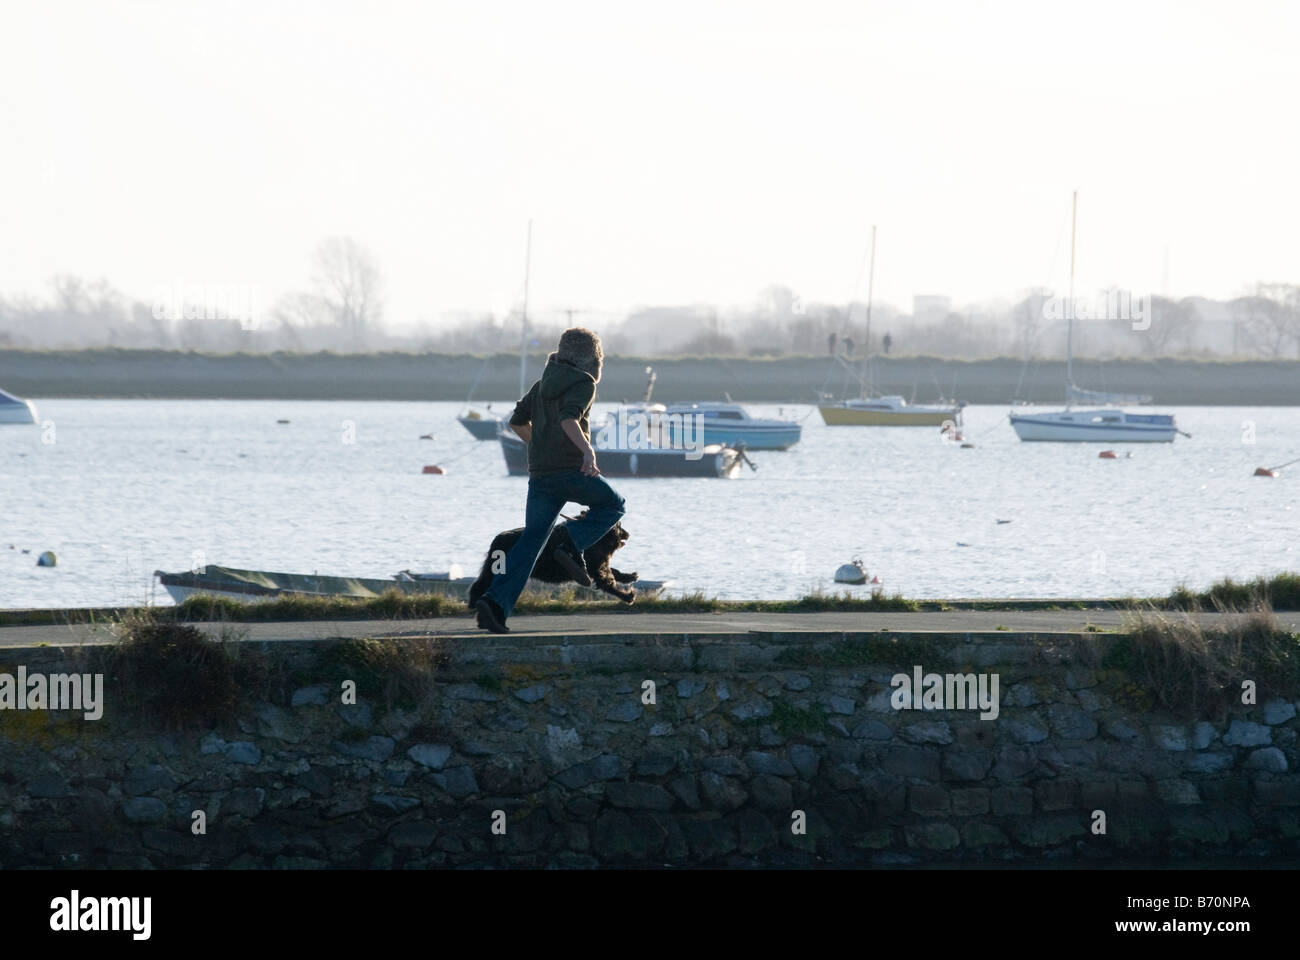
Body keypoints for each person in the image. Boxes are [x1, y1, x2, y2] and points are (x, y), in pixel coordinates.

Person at [474, 328, 626, 634]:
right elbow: (569, 419)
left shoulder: (542, 384)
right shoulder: (583, 382)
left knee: (531, 543)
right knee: (613, 505)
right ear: (591, 359)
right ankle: (572, 542)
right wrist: (587, 452)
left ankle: (494, 605)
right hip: (569, 471)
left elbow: (516, 422)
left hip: (540, 475)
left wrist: (540, 448)